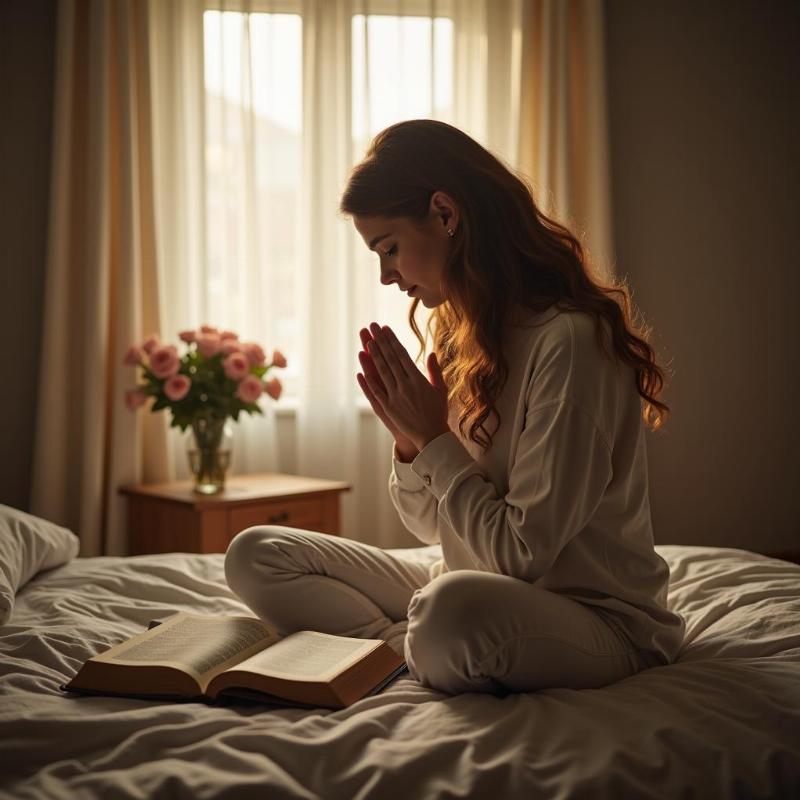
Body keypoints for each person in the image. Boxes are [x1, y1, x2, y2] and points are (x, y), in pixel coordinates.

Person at [224, 119, 686, 695]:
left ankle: (401, 641)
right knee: (255, 553)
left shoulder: (571, 342)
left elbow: (520, 556)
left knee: (449, 613)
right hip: (469, 577)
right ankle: (402, 646)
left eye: (389, 248)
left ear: (445, 215)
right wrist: (412, 443)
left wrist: (437, 443)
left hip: (597, 620)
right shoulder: (460, 328)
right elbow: (427, 525)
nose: (387, 275)